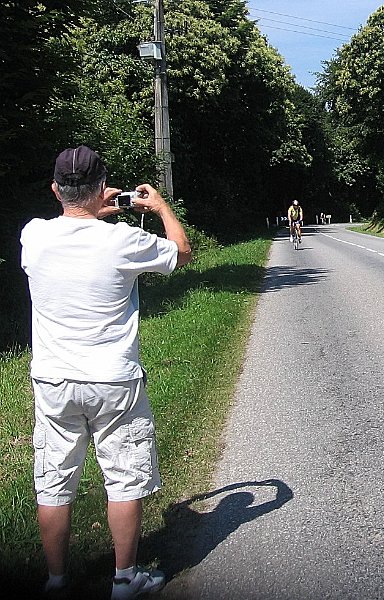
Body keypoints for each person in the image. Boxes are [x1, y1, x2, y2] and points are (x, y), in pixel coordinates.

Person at [20, 146, 192, 599]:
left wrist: (91, 207)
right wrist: (157, 207)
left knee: (54, 479)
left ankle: (56, 581)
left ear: (56, 189)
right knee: (122, 475)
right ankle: (124, 579)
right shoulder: (122, 242)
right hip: (114, 379)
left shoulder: (32, 235)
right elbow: (182, 251)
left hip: (54, 380)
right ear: (101, 187)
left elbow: (70, 226)